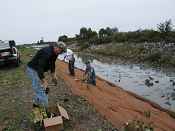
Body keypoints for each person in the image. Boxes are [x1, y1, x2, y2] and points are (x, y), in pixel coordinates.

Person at [26, 41, 66, 108]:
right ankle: (46, 112)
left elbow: (52, 64)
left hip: (38, 70)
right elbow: (40, 68)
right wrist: (44, 81)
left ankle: (35, 104)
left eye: (61, 52)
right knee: (42, 90)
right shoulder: (47, 52)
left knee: (42, 89)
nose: (59, 52)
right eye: (59, 50)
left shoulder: (55, 53)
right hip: (33, 70)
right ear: (56, 46)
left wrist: (54, 76)